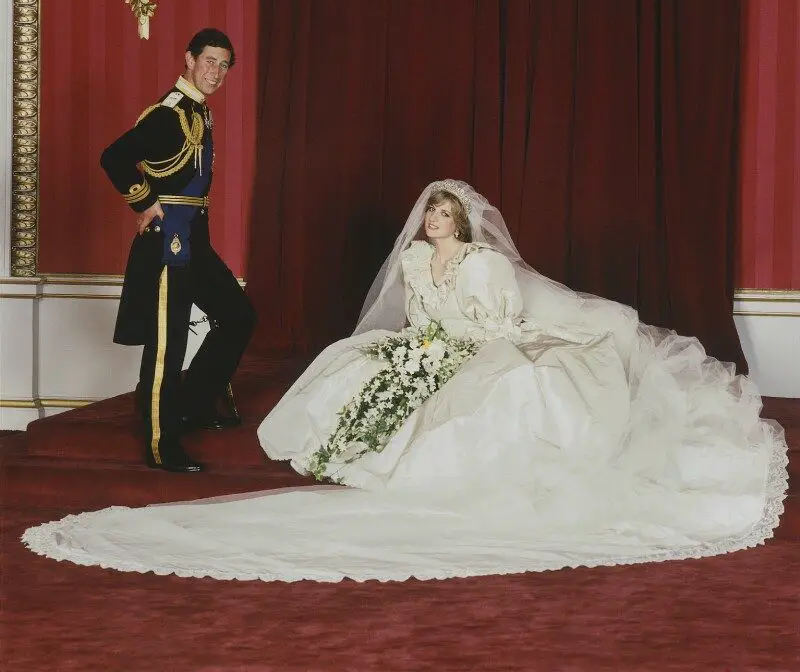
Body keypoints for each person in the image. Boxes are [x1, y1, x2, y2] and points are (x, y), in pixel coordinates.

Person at [22, 181, 787, 582]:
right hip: (429, 342)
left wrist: (445, 349)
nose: (437, 227)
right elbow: (418, 312)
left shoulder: (487, 265)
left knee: (486, 390)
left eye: (447, 217)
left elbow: (491, 324)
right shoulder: (418, 262)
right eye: (431, 218)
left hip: (476, 342)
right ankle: (347, 444)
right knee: (352, 363)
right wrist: (415, 347)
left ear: (466, 223)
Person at [98, 28, 256, 474]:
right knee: (170, 344)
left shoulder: (198, 111)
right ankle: (161, 442)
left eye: (224, 65)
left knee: (238, 314)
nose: (216, 72)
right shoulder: (169, 114)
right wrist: (145, 202)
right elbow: (113, 157)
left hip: (194, 240)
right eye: (209, 60)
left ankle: (191, 404)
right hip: (168, 244)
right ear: (188, 59)